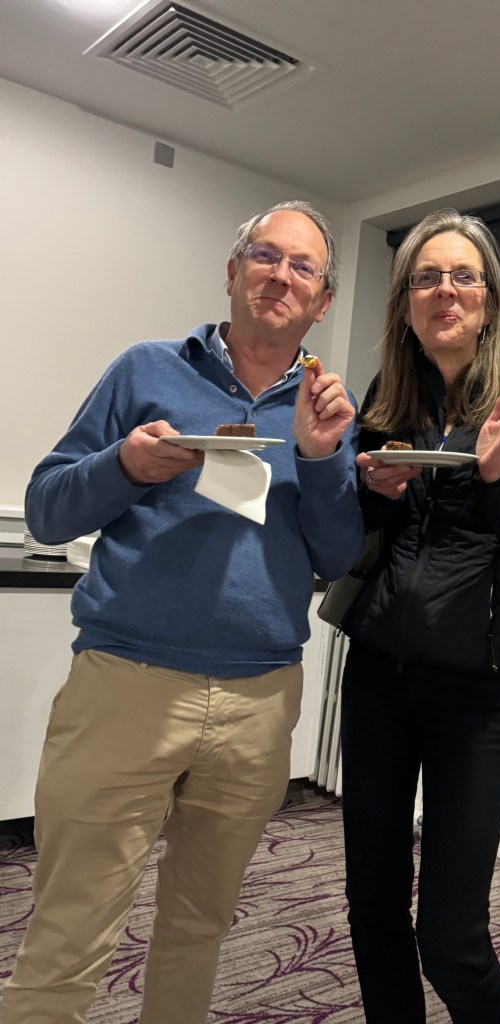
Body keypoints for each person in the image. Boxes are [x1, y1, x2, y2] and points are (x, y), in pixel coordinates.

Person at [0, 200, 364, 1024]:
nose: (281, 276)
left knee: (200, 927)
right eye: (265, 256)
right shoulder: (146, 369)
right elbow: (47, 511)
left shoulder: (326, 409)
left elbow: (338, 556)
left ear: (323, 301)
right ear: (232, 272)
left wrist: (319, 459)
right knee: (68, 933)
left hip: (260, 704)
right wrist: (125, 465)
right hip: (125, 687)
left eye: (302, 267)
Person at [340, 208, 500, 1024]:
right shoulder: (388, 396)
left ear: (489, 299)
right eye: (426, 277)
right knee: (372, 904)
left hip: (478, 695)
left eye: (463, 276)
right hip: (377, 678)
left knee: (451, 938)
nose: (445, 290)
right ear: (405, 302)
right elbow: (361, 537)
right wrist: (372, 493)